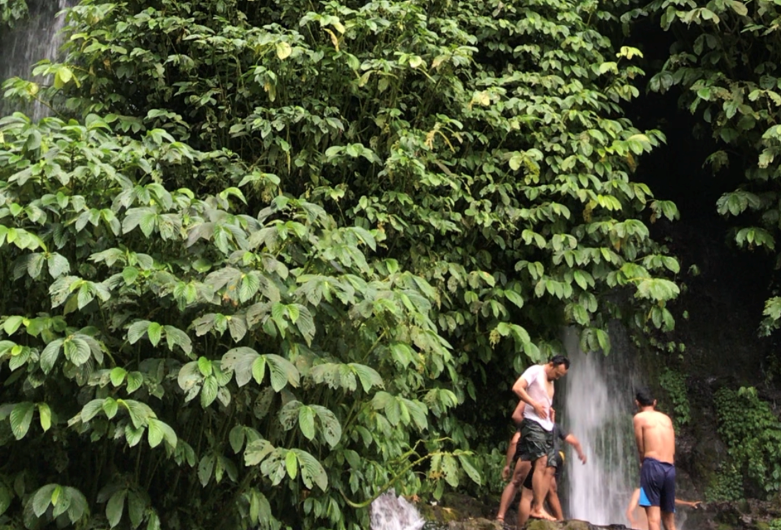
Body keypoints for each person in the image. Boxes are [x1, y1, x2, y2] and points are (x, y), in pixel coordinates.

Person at [511, 355, 570, 521]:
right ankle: (537, 507)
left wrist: (549, 411)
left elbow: (544, 400)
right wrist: (534, 404)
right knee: (542, 461)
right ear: (551, 364)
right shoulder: (535, 371)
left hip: (547, 427)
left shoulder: (551, 381)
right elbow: (517, 388)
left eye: (560, 376)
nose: (557, 378)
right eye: (557, 374)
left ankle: (538, 507)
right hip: (533, 424)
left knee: (551, 466)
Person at [516, 417, 587, 525]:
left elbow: (516, 442)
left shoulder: (533, 427)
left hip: (546, 457)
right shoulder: (555, 426)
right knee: (551, 489)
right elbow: (574, 441)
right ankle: (561, 521)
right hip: (558, 456)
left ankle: (521, 526)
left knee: (526, 495)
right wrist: (581, 454)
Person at [633, 388, 677, 530]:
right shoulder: (666, 419)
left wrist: (642, 462)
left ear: (637, 403)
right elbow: (672, 448)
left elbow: (641, 447)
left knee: (653, 519)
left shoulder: (639, 418)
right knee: (669, 521)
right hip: (670, 468)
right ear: (655, 402)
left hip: (652, 466)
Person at [625, 488, 702, 530]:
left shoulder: (658, 493)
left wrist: (689, 503)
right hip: (640, 528)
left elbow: (672, 500)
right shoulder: (638, 492)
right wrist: (633, 522)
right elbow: (629, 512)